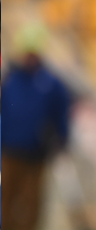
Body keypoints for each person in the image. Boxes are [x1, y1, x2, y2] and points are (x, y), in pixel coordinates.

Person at [1, 23, 72, 230]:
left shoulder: (51, 83)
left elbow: (61, 115)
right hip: (8, 152)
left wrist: (61, 140)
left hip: (35, 155)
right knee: (5, 200)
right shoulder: (10, 79)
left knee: (31, 205)